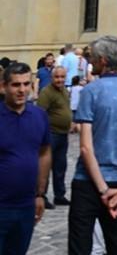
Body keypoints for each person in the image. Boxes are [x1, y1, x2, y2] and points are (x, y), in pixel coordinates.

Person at [68, 34, 117, 255]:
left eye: (92, 57)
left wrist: (103, 190)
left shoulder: (91, 91)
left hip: (88, 181)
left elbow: (86, 147)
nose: (89, 61)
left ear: (102, 60)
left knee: (80, 245)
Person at [0, 62, 51, 254]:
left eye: (26, 84)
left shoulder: (39, 116)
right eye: (15, 85)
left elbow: (44, 152)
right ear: (4, 87)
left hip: (26, 206)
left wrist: (40, 193)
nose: (22, 90)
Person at [37, 63, 72, 207]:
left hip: (63, 135)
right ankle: (41, 195)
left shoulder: (64, 91)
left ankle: (59, 195)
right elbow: (40, 113)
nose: (60, 80)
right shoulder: (46, 92)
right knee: (45, 167)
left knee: (60, 166)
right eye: (57, 77)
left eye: (62, 77)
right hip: (51, 134)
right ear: (52, 77)